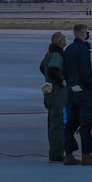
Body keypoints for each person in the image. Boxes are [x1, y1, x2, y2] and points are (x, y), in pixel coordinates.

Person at [63, 23, 92, 165]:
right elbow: (86, 72)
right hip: (84, 93)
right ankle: (86, 155)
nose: (88, 34)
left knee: (70, 124)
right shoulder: (83, 50)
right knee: (86, 123)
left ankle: (69, 154)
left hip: (72, 91)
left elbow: (64, 71)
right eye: (87, 32)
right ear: (82, 33)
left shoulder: (68, 49)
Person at [39, 31, 68, 163]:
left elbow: (42, 67)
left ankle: (55, 151)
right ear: (59, 41)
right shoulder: (56, 55)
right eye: (64, 39)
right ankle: (57, 153)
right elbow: (52, 69)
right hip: (57, 94)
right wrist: (61, 81)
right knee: (58, 123)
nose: (65, 40)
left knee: (53, 122)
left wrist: (47, 79)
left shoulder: (49, 53)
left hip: (50, 93)